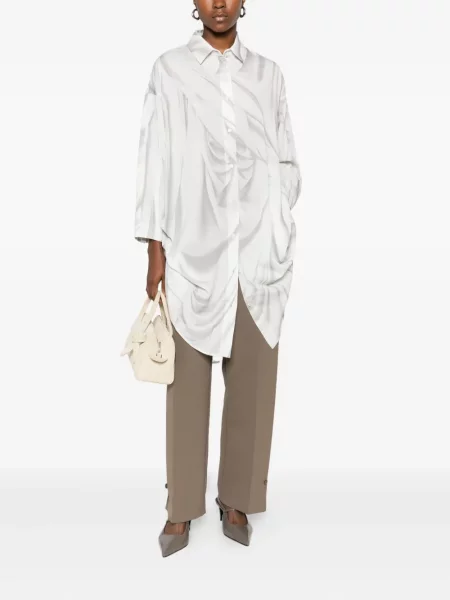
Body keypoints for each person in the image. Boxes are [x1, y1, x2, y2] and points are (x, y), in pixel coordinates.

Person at [134, 0, 301, 557]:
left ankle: (238, 499)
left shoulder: (268, 75)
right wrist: (155, 247)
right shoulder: (170, 71)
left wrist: (276, 220)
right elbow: (154, 160)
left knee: (253, 379)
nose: (220, 4)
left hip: (256, 252)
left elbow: (287, 158)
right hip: (193, 247)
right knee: (186, 384)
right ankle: (181, 506)